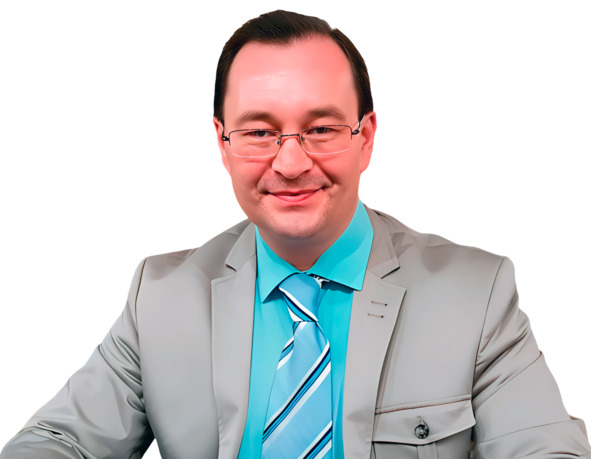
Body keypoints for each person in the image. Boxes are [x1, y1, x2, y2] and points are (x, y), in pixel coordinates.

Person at [2, 9, 590, 459]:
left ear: (366, 137)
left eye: (322, 128)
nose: (290, 163)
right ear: (222, 143)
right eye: (259, 132)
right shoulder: (159, 297)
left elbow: (545, 449)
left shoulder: (476, 295)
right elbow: (59, 440)